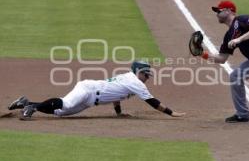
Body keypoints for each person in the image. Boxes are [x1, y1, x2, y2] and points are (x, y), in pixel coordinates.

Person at [8, 61, 186, 120]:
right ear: (139, 72)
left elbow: (118, 96)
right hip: (89, 89)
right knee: (67, 103)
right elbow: (152, 102)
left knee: (61, 112)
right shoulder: (137, 83)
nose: (148, 76)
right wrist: (172, 113)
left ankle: (27, 103)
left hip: (91, 100)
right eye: (146, 73)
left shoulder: (130, 81)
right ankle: (32, 109)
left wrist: (118, 113)